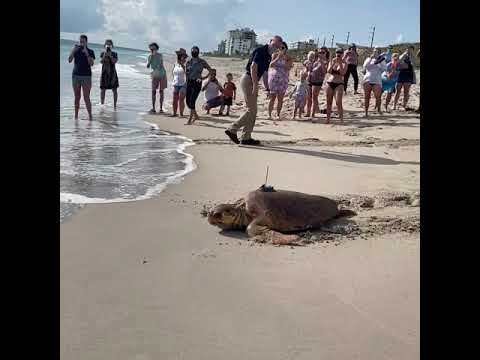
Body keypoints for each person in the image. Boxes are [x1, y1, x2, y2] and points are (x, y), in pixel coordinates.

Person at [225, 36, 283, 145]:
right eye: (274, 45)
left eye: (278, 47)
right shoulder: (261, 51)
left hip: (252, 81)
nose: (276, 48)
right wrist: (255, 85)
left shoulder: (269, 56)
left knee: (253, 110)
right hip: (248, 80)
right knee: (251, 110)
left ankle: (246, 137)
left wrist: (267, 89)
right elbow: (253, 67)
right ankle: (232, 129)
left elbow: (265, 74)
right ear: (270, 42)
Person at [68, 34, 95, 120]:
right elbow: (69, 60)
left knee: (86, 97)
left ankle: (90, 116)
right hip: (76, 76)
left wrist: (86, 53)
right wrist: (73, 51)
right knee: (77, 97)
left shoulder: (91, 51)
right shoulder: (76, 50)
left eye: (83, 41)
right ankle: (76, 116)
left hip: (86, 77)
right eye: (80, 41)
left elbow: (91, 64)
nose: (81, 43)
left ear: (86, 42)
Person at [185, 46, 212, 124]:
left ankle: (190, 119)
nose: (194, 52)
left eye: (195, 51)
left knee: (192, 100)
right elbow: (187, 72)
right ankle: (196, 115)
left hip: (197, 82)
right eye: (192, 51)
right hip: (189, 82)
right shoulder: (188, 62)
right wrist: (186, 81)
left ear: (198, 52)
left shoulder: (202, 61)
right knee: (187, 101)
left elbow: (210, 70)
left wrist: (204, 77)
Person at [267, 41, 293, 119]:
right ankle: (269, 115)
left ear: (286, 49)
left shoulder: (289, 58)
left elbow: (288, 67)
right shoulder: (274, 55)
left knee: (280, 99)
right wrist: (278, 57)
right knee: (272, 98)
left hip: (283, 80)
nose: (280, 49)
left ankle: (278, 114)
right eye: (279, 47)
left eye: (282, 48)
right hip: (274, 79)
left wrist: (284, 58)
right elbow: (271, 65)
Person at [324, 48, 347, 124]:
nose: (338, 54)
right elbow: (329, 71)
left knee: (338, 101)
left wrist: (340, 63)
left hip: (339, 83)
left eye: (340, 52)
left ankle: (341, 120)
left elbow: (342, 73)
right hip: (330, 82)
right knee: (328, 102)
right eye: (337, 52)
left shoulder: (345, 63)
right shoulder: (332, 61)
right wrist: (333, 63)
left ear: (342, 54)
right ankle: (328, 119)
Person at [362, 47, 387, 117]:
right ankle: (366, 112)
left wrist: (380, 61)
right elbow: (365, 66)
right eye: (374, 51)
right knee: (367, 96)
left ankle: (379, 109)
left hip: (377, 80)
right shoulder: (369, 59)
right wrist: (371, 58)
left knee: (378, 96)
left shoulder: (382, 60)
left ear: (379, 53)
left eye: (377, 52)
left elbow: (385, 68)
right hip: (367, 79)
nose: (375, 53)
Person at [305, 49, 327, 118]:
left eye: (322, 52)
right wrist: (307, 67)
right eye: (319, 52)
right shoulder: (315, 62)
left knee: (314, 98)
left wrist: (322, 63)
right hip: (310, 80)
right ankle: (308, 112)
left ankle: (312, 113)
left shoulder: (325, 62)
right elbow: (309, 70)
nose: (320, 54)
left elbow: (325, 72)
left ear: (325, 54)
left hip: (317, 82)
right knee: (309, 98)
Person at [147, 42, 167, 114]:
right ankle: (153, 108)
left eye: (153, 48)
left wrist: (155, 58)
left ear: (156, 48)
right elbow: (148, 66)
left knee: (161, 91)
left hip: (162, 74)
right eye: (151, 48)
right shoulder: (150, 56)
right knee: (153, 91)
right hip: (154, 75)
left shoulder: (160, 55)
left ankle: (161, 108)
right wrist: (151, 58)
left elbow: (161, 65)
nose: (152, 49)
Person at [393, 46, 416, 110]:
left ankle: (404, 106)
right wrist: (405, 53)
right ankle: (394, 105)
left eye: (410, 49)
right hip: (401, 74)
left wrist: (411, 55)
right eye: (408, 49)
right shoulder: (403, 55)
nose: (409, 50)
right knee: (398, 91)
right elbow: (399, 61)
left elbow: (413, 63)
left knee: (406, 92)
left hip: (408, 75)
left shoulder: (412, 56)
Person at [99, 39, 119, 110]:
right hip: (104, 73)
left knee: (114, 90)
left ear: (112, 46)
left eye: (110, 45)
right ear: (104, 46)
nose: (108, 46)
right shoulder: (102, 53)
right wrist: (104, 55)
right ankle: (102, 104)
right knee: (103, 90)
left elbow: (114, 62)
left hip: (112, 73)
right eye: (107, 44)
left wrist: (110, 56)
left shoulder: (115, 53)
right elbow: (101, 62)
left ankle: (115, 106)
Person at [170, 48, 188, 117]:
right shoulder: (175, 64)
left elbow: (187, 73)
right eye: (179, 55)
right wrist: (174, 80)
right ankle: (174, 113)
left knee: (181, 99)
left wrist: (182, 65)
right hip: (176, 84)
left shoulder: (186, 64)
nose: (180, 56)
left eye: (182, 55)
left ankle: (181, 114)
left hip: (183, 84)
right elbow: (173, 72)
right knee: (174, 100)